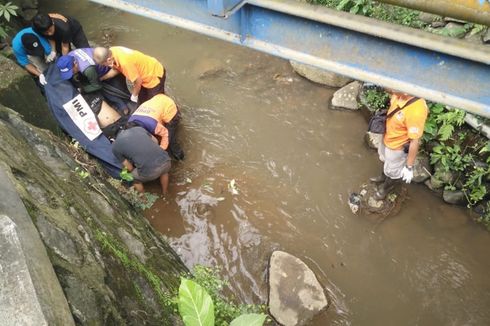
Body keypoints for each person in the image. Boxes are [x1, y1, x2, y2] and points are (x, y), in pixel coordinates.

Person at [371, 90, 428, 200]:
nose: (390, 89)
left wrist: (409, 166)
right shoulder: (398, 93)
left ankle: (386, 188)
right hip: (387, 136)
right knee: (384, 159)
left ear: (406, 91)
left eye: (393, 88)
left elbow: (415, 141)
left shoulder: (416, 111)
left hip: (398, 147)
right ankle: (383, 177)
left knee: (393, 171)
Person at [56, 49, 130, 115]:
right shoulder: (71, 55)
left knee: (104, 90)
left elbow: (97, 86)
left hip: (104, 71)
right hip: (92, 67)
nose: (71, 74)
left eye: (71, 71)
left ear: (75, 63)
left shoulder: (88, 69)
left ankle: (122, 105)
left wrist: (83, 89)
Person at [93, 46, 166, 105]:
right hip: (143, 73)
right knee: (143, 99)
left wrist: (134, 95)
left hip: (154, 76)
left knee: (157, 102)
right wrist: (102, 78)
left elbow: (138, 81)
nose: (104, 66)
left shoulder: (125, 63)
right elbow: (116, 70)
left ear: (108, 60)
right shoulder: (112, 51)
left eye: (103, 64)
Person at [112, 126, 171, 195]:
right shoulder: (138, 128)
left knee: (132, 178)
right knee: (164, 172)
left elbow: (130, 168)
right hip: (166, 160)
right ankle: (165, 192)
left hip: (151, 172)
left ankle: (144, 199)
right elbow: (156, 141)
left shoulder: (115, 147)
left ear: (113, 139)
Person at [128, 93, 184, 160]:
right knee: (157, 136)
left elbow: (165, 133)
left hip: (168, 106)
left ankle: (180, 157)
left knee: (170, 139)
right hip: (157, 101)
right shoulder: (130, 121)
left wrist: (161, 150)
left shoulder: (151, 125)